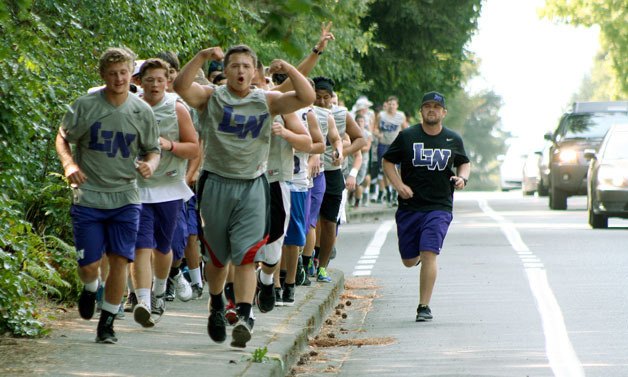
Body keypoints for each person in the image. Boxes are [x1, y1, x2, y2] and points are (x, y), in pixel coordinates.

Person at [173, 45, 315, 348]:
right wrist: (200, 57)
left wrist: (289, 69)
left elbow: (306, 97)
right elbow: (181, 86)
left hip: (253, 184)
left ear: (255, 72)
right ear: (225, 70)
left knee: (247, 256)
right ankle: (215, 305)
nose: (240, 71)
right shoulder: (211, 98)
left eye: (246, 67)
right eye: (234, 66)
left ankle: (245, 314)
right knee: (218, 257)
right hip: (215, 183)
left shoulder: (267, 100)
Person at [55, 47, 160, 343]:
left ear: (131, 74)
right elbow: (63, 137)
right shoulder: (85, 105)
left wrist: (150, 164)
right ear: (102, 76)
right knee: (88, 266)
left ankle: (108, 324)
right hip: (89, 196)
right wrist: (69, 163)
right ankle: (90, 288)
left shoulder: (142, 112)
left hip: (126, 197)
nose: (118, 78)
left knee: (120, 261)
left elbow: (153, 148)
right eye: (112, 73)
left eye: (124, 73)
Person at [382, 91, 470, 322]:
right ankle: (417, 256)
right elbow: (388, 161)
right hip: (410, 206)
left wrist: (463, 179)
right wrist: (398, 185)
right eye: (427, 106)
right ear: (421, 111)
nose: (432, 110)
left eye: (436, 107)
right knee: (409, 260)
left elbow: (464, 163)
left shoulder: (453, 139)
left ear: (443, 112)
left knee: (430, 253)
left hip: (439, 205)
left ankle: (424, 306)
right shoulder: (407, 136)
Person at [131, 58, 199, 328]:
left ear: (168, 81)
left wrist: (168, 145)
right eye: (150, 80)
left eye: (160, 80)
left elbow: (194, 148)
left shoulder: (176, 108)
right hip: (138, 187)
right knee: (141, 245)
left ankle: (159, 292)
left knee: (163, 247)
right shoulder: (131, 107)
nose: (155, 85)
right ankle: (143, 301)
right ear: (140, 82)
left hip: (169, 186)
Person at [374, 95, 408, 206]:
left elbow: (406, 129)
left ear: (397, 106)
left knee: (397, 169)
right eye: (389, 104)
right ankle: (388, 191)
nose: (391, 106)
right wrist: (378, 134)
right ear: (387, 104)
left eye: (394, 104)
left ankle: (395, 192)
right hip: (383, 144)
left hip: (396, 146)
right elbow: (374, 128)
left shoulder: (401, 116)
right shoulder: (381, 115)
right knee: (384, 169)